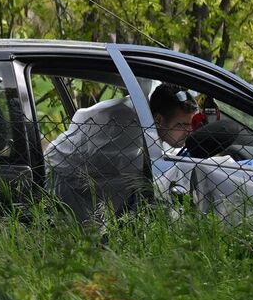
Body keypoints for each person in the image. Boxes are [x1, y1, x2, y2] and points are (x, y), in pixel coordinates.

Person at [46, 82, 197, 222]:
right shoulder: (129, 131)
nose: (189, 131)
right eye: (182, 125)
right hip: (66, 183)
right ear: (158, 120)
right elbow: (146, 187)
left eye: (191, 124)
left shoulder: (144, 118)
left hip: (88, 184)